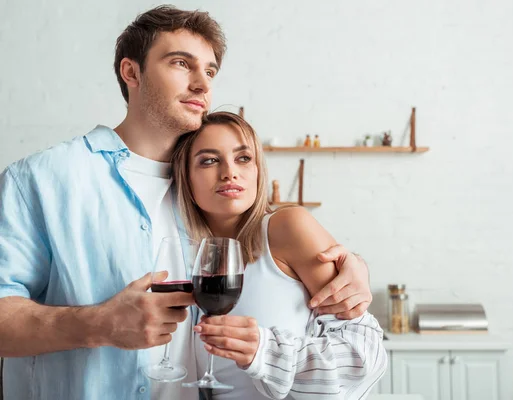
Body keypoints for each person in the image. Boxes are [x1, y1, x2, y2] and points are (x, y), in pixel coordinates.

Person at [0, 6, 374, 400]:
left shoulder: (203, 187)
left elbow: (277, 254)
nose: (202, 84)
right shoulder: (42, 179)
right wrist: (98, 324)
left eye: (210, 71)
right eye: (181, 63)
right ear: (132, 73)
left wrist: (354, 263)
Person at [171, 111, 387, 399]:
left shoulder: (287, 227)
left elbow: (365, 355)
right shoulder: (185, 253)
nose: (229, 172)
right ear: (185, 176)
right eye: (210, 160)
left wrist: (265, 352)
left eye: (243, 158)